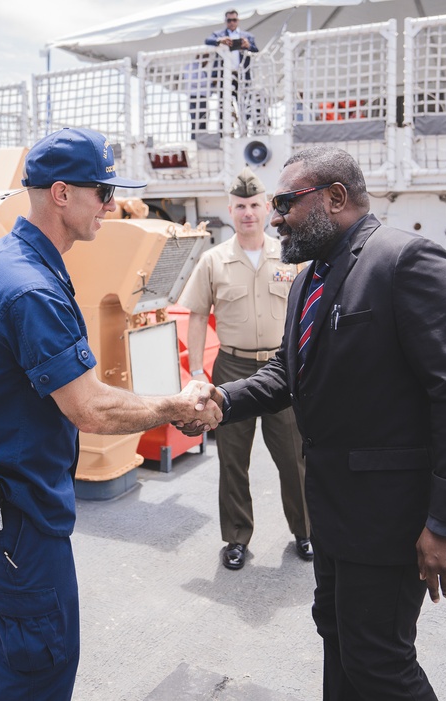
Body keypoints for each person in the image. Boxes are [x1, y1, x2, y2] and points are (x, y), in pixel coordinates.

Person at [190, 146, 446, 700]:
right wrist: (221, 400)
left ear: (335, 197)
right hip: (334, 514)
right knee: (338, 636)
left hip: (388, 519)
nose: (275, 214)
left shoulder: (407, 262)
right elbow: (287, 371)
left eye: (285, 201)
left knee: (379, 661)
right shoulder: (312, 277)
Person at [0, 127, 221, 701]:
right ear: (61, 194)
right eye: (102, 192)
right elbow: (88, 406)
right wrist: (175, 406)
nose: (112, 206)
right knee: (37, 662)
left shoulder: (2, 261)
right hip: (17, 517)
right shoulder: (30, 287)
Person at [178, 166, 311, 571]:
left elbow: (308, 310)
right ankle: (236, 539)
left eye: (255, 204)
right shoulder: (213, 261)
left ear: (267, 206)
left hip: (281, 368)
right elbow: (198, 315)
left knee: (294, 457)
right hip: (231, 367)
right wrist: (199, 371)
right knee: (233, 459)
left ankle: (306, 532)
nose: (248, 212)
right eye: (240, 206)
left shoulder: (291, 256)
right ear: (230, 210)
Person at [205, 9, 259, 134]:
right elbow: (207, 40)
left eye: (234, 20)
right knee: (224, 105)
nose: (232, 23)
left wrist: (248, 45)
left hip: (242, 76)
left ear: (238, 21)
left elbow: (256, 50)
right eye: (229, 20)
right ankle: (225, 133)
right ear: (225, 21)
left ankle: (244, 130)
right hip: (226, 76)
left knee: (244, 104)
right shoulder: (219, 34)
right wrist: (220, 41)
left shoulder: (247, 36)